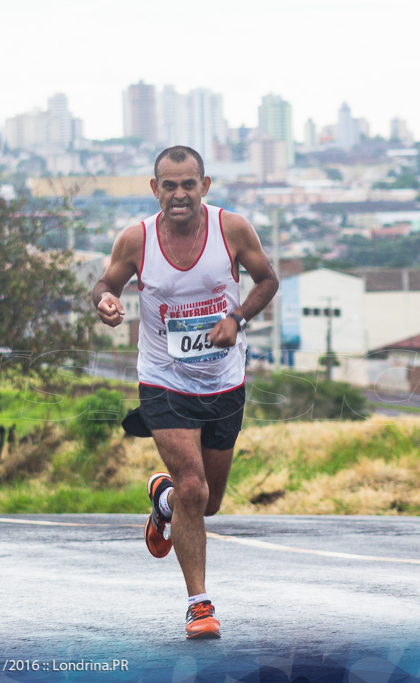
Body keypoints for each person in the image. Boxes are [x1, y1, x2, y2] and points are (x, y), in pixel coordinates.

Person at [93, 146, 278, 639]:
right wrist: (107, 302)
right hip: (163, 379)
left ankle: (166, 502)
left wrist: (236, 318)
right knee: (195, 487)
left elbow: (267, 280)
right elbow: (105, 283)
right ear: (155, 189)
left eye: (188, 184)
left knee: (207, 502)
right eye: (169, 185)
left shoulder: (232, 230)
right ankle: (200, 606)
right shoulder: (136, 240)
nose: (179, 194)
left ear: (205, 185)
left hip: (223, 381)